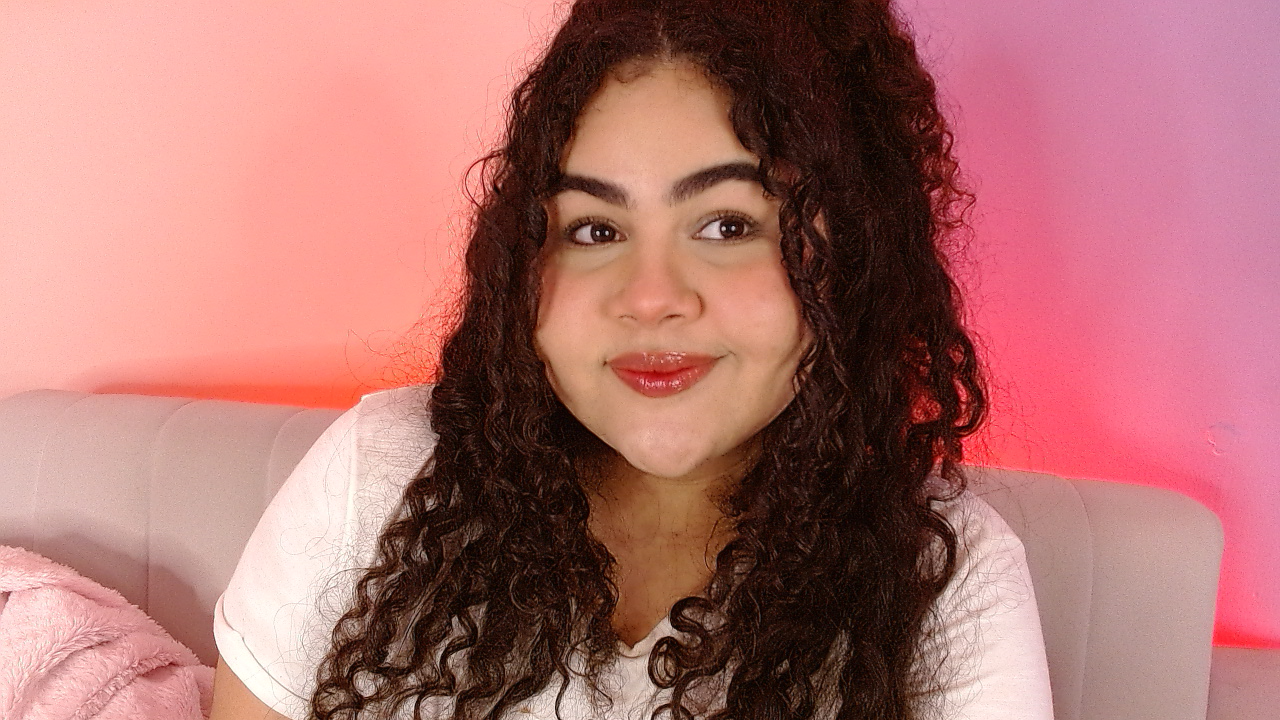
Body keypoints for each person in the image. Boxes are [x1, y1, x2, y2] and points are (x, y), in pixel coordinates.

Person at [209, 0, 1054, 718]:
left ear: (853, 255)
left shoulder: (947, 581)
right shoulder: (378, 477)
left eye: (727, 225)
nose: (650, 298)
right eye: (595, 229)